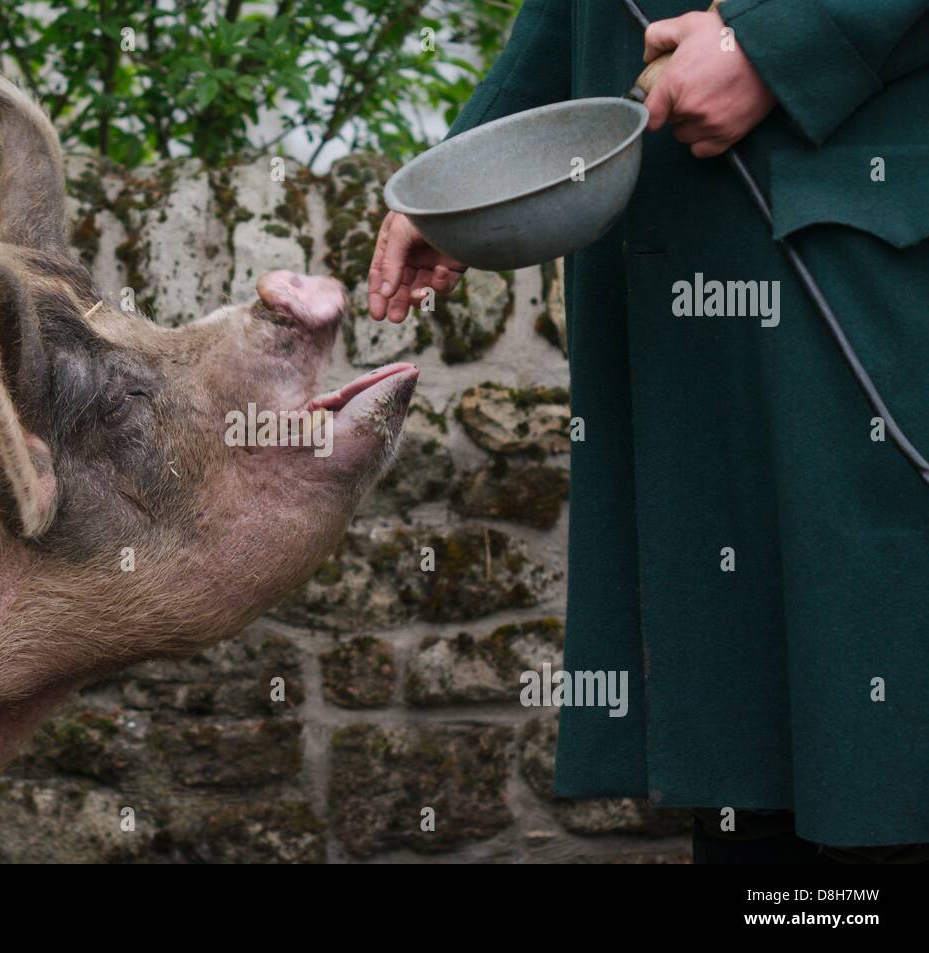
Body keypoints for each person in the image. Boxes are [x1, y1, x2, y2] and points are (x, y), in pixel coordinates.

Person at [368, 0, 929, 863]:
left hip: (856, 257)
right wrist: (452, 177)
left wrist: (775, 46)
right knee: (748, 770)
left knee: (885, 726)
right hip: (683, 301)